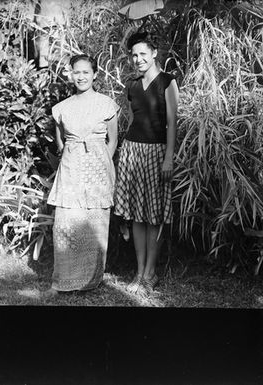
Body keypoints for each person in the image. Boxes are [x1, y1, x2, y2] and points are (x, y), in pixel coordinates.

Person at [46, 54, 119, 295]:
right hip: (71, 168)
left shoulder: (107, 104)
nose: (81, 76)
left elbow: (113, 141)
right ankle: (63, 280)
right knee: (66, 220)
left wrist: (99, 164)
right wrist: (74, 159)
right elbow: (61, 143)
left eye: (86, 72)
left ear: (95, 74)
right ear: (71, 74)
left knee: (94, 220)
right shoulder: (61, 108)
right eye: (77, 72)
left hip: (98, 167)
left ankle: (90, 279)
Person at [114, 31, 179, 294]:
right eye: (134, 55)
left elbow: (173, 122)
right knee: (136, 217)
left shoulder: (167, 82)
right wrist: (123, 154)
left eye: (143, 54)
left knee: (154, 217)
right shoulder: (131, 86)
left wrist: (168, 159)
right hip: (132, 152)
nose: (138, 59)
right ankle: (139, 272)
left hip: (157, 153)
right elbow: (132, 122)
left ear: (154, 53)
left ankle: (151, 273)